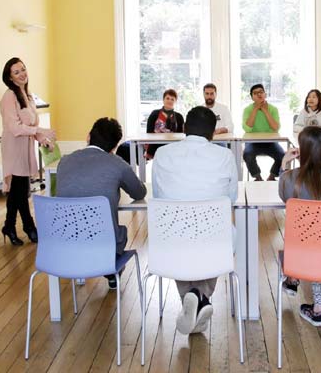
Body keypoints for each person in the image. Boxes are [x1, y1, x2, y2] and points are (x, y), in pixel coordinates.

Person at [152, 106, 238, 335]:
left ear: (184, 128)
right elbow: (231, 199)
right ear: (213, 133)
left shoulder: (162, 154)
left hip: (171, 236)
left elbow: (158, 197)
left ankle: (191, 299)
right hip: (214, 238)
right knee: (215, 237)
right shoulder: (225, 156)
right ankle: (200, 296)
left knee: (181, 238)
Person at [56, 117, 147, 288]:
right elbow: (139, 192)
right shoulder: (117, 163)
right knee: (118, 232)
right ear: (114, 147)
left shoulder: (65, 161)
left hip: (64, 247)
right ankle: (110, 272)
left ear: (88, 136)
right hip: (105, 250)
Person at [278, 126, 321, 327]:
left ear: (302, 150)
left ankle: (293, 278)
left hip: (300, 253)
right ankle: (316, 308)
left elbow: (283, 197)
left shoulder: (291, 178)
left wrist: (284, 164)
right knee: (319, 241)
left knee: (301, 237)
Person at [0, 57, 55, 246]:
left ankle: (10, 226)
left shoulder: (27, 95)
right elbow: (15, 128)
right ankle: (29, 227)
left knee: (18, 191)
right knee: (20, 190)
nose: (22, 74)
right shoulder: (9, 96)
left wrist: (43, 139)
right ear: (10, 77)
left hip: (25, 147)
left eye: (23, 69)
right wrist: (41, 131)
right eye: (16, 72)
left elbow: (31, 125)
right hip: (13, 147)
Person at [242, 84, 284, 181]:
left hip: (270, 142)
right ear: (252, 97)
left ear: (265, 94)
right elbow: (247, 128)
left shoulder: (273, 109)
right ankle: (258, 178)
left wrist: (265, 110)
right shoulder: (247, 110)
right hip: (253, 142)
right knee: (247, 154)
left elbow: (276, 128)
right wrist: (256, 109)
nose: (259, 95)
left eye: (261, 92)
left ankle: (272, 176)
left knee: (282, 155)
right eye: (255, 93)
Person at [144, 88, 185, 158]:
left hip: (173, 148)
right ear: (163, 100)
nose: (169, 101)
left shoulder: (179, 117)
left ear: (175, 101)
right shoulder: (154, 114)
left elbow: (181, 135)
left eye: (172, 99)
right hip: (155, 147)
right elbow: (149, 132)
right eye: (167, 98)